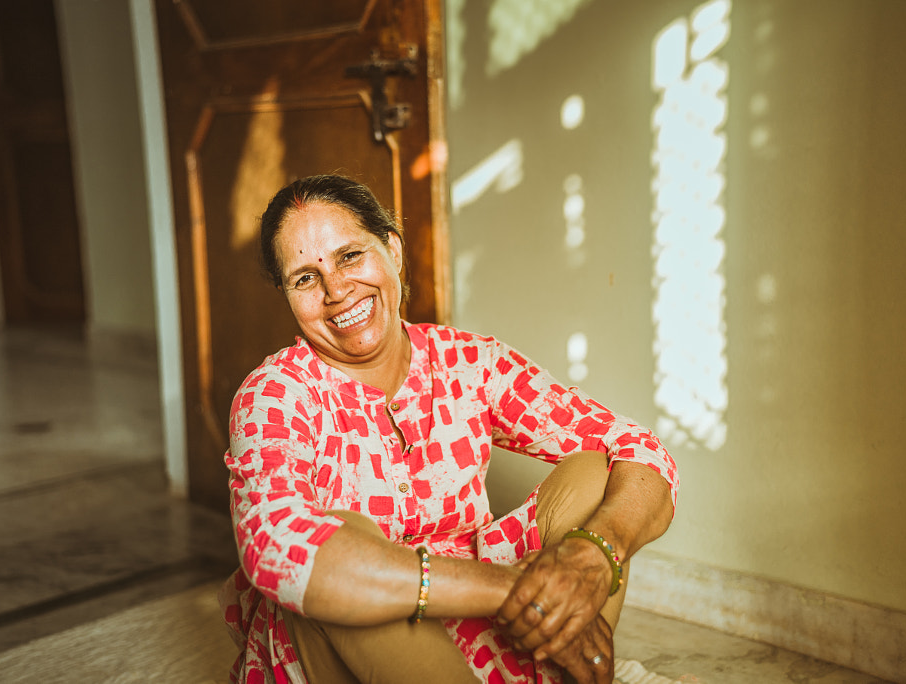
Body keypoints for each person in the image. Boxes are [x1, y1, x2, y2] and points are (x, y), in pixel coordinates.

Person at [218, 175, 678, 684]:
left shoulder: (468, 362)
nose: (336, 290)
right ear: (286, 293)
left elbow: (640, 449)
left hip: (480, 616)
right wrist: (509, 588)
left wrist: (595, 554)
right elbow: (278, 546)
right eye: (305, 278)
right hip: (348, 646)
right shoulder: (274, 394)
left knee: (597, 474)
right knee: (343, 542)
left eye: (350, 256)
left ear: (392, 249)